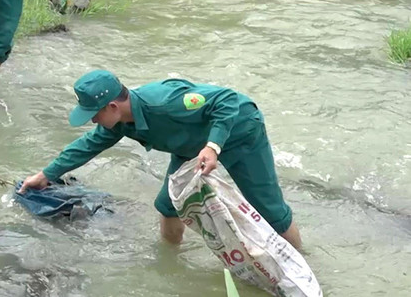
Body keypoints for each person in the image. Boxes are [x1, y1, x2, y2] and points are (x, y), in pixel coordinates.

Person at [18, 70, 303, 250]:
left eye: (94, 113)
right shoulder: (119, 122)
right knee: (167, 205)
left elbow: (227, 99)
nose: (92, 120)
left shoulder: (166, 102)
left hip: (240, 132)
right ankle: (170, 257)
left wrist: (214, 146)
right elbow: (88, 145)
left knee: (268, 209)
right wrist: (46, 174)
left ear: (113, 106)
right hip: (189, 144)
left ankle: (302, 264)